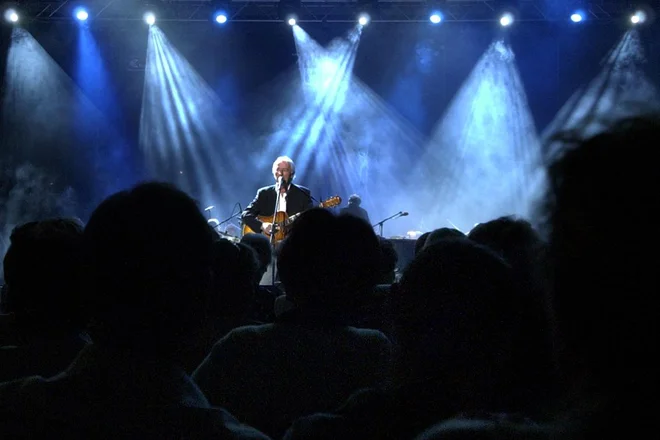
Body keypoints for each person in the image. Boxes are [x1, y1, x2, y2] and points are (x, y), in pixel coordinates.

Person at [241, 156, 313, 239]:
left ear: (292, 174)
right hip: (266, 244)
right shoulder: (264, 193)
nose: (280, 173)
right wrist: (262, 225)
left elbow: (310, 220)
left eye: (285, 170)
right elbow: (245, 215)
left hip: (292, 242)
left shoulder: (303, 193)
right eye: (278, 170)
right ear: (273, 172)